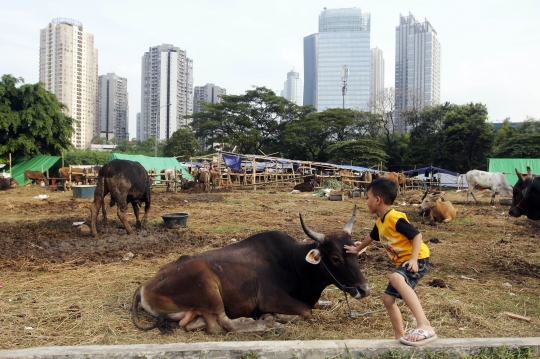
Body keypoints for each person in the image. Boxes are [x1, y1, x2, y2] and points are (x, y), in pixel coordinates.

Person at [344, 177, 437, 346]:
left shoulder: (395, 218)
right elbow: (370, 238)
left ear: (377, 200)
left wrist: (414, 259)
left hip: (418, 259)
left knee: (395, 278)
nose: (367, 202)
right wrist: (356, 249)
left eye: (367, 198)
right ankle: (399, 337)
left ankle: (425, 325)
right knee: (387, 300)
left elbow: (417, 236)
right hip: (404, 262)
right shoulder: (380, 222)